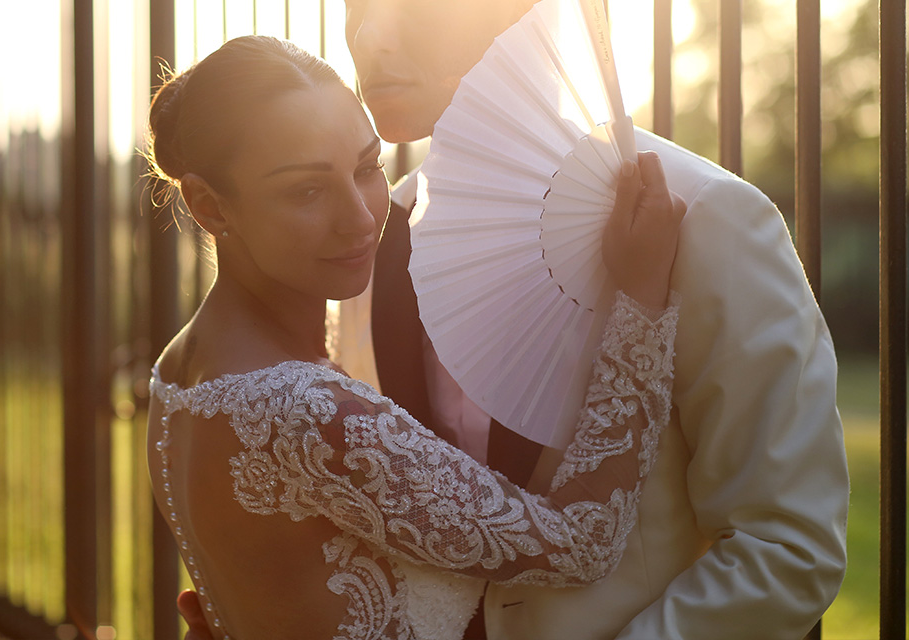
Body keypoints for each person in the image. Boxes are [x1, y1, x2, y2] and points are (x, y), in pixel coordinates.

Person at [180, 0, 848, 640]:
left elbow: (786, 547)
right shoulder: (374, 239)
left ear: (527, 8)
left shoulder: (709, 219)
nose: (370, 36)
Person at [147, 34, 686, 640]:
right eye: (306, 190)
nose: (360, 216)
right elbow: (583, 541)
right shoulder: (305, 411)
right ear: (209, 206)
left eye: (366, 167)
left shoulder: (177, 370)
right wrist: (641, 300)